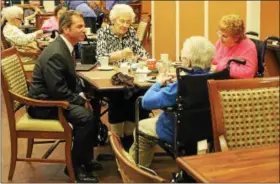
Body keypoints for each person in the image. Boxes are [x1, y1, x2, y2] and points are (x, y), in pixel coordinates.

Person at [27, 10, 101, 183]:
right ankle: (75, 167)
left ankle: (85, 159)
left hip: (54, 98)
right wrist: (80, 100)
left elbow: (70, 80)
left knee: (94, 104)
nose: (85, 29)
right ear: (66, 29)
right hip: (42, 105)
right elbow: (58, 91)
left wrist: (83, 96)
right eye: (80, 26)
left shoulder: (65, 46)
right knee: (85, 117)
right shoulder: (56, 53)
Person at [129, 36, 215, 168]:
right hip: (206, 131)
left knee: (140, 128)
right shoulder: (213, 79)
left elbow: (146, 102)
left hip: (176, 132)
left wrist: (158, 83)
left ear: (187, 61)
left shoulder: (180, 86)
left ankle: (136, 173)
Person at [96, 4, 150, 151]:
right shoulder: (104, 32)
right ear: (114, 20)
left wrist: (143, 59)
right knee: (119, 94)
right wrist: (120, 55)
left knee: (138, 92)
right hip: (110, 79)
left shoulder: (131, 32)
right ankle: (117, 138)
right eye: (122, 21)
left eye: (128, 22)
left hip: (130, 78)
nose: (125, 25)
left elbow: (143, 54)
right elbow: (100, 57)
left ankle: (129, 136)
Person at [211, 14, 257, 79]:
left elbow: (248, 73)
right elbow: (213, 60)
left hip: (236, 84)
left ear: (236, 37)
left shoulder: (249, 47)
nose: (220, 38)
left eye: (224, 36)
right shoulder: (220, 43)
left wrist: (219, 67)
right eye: (219, 33)